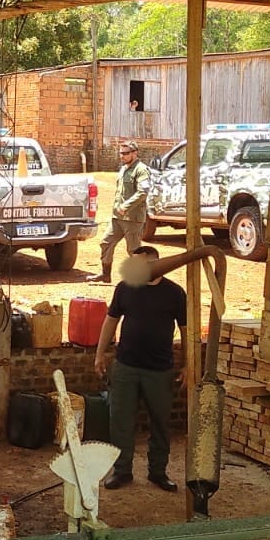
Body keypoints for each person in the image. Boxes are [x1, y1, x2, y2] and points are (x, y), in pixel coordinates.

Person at [94, 246, 185, 493]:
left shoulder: (175, 293)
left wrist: (188, 363)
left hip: (159, 369)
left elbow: (187, 331)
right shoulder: (125, 288)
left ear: (155, 263)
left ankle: (158, 472)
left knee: (160, 423)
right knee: (120, 420)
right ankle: (121, 471)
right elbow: (111, 320)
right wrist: (100, 353)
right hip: (126, 366)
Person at [92, 140, 152, 284]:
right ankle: (105, 275)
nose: (122, 156)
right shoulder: (124, 168)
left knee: (134, 251)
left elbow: (143, 192)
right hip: (117, 217)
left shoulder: (141, 170)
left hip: (132, 218)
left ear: (135, 153)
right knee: (106, 243)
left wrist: (127, 205)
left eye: (125, 153)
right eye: (121, 153)